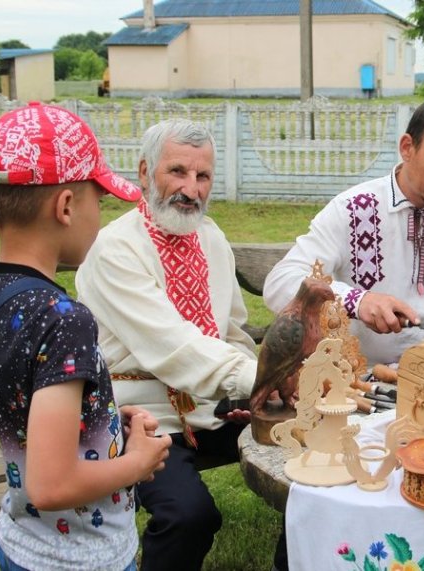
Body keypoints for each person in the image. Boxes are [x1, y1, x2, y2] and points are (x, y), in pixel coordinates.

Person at [75, 118, 258, 570]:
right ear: (143, 173)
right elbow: (174, 346)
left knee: (304, 451)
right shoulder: (115, 249)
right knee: (190, 515)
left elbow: (233, 333)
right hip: (138, 420)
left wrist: (250, 396)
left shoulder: (213, 238)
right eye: (177, 172)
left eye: (203, 177)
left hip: (209, 411)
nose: (191, 190)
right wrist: (263, 378)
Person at [0, 102, 172, 570]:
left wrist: (103, 414)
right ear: (67, 206)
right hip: (81, 557)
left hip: (19, 543)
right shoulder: (63, 317)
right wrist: (138, 461)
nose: (102, 215)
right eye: (99, 200)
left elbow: (22, 401)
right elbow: (51, 485)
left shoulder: (4, 296)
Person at [264, 98, 424, 365]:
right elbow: (281, 282)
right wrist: (358, 301)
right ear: (407, 148)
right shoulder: (354, 209)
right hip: (360, 378)